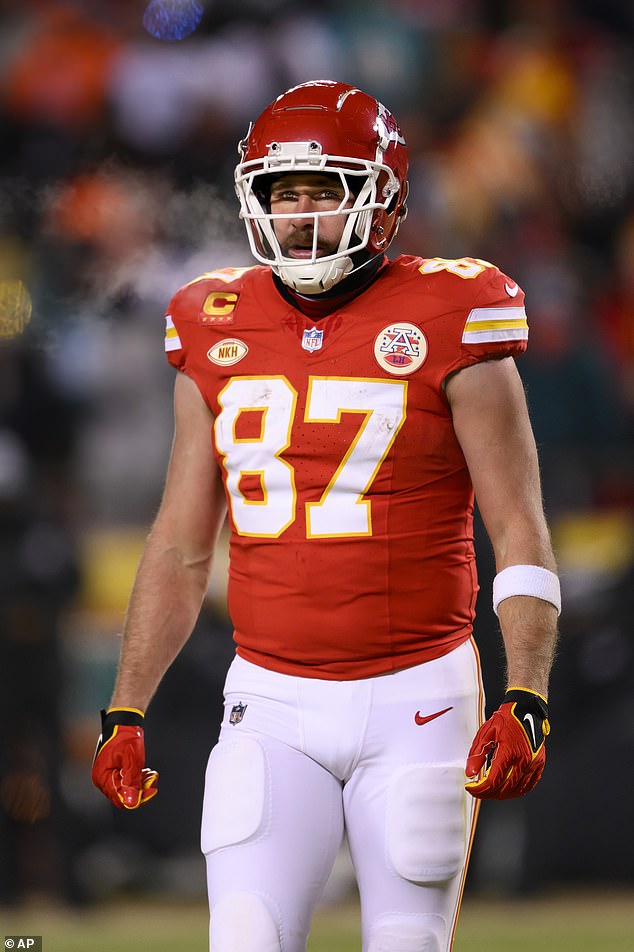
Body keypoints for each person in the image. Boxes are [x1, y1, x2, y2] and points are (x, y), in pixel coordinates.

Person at [92, 80, 559, 952]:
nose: (301, 213)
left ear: (379, 197)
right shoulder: (211, 318)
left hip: (418, 695)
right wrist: (126, 708)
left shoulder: (455, 310)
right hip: (267, 697)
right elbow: (183, 546)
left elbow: (521, 525)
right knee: (245, 940)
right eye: (284, 192)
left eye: (326, 190)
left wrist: (527, 690)